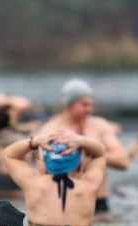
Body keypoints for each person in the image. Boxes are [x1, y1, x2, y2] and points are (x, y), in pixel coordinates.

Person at [1, 130, 106, 226]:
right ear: (78, 164)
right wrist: (81, 140)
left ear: (46, 162)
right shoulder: (88, 186)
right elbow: (100, 153)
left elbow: (9, 154)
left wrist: (35, 141)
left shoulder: (34, 184)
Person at [32, 79, 128, 212]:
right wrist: (71, 155)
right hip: (65, 201)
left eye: (90, 104)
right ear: (68, 105)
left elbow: (122, 161)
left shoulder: (99, 125)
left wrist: (89, 149)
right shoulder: (50, 130)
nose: (90, 109)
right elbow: (43, 169)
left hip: (98, 201)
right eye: (84, 105)